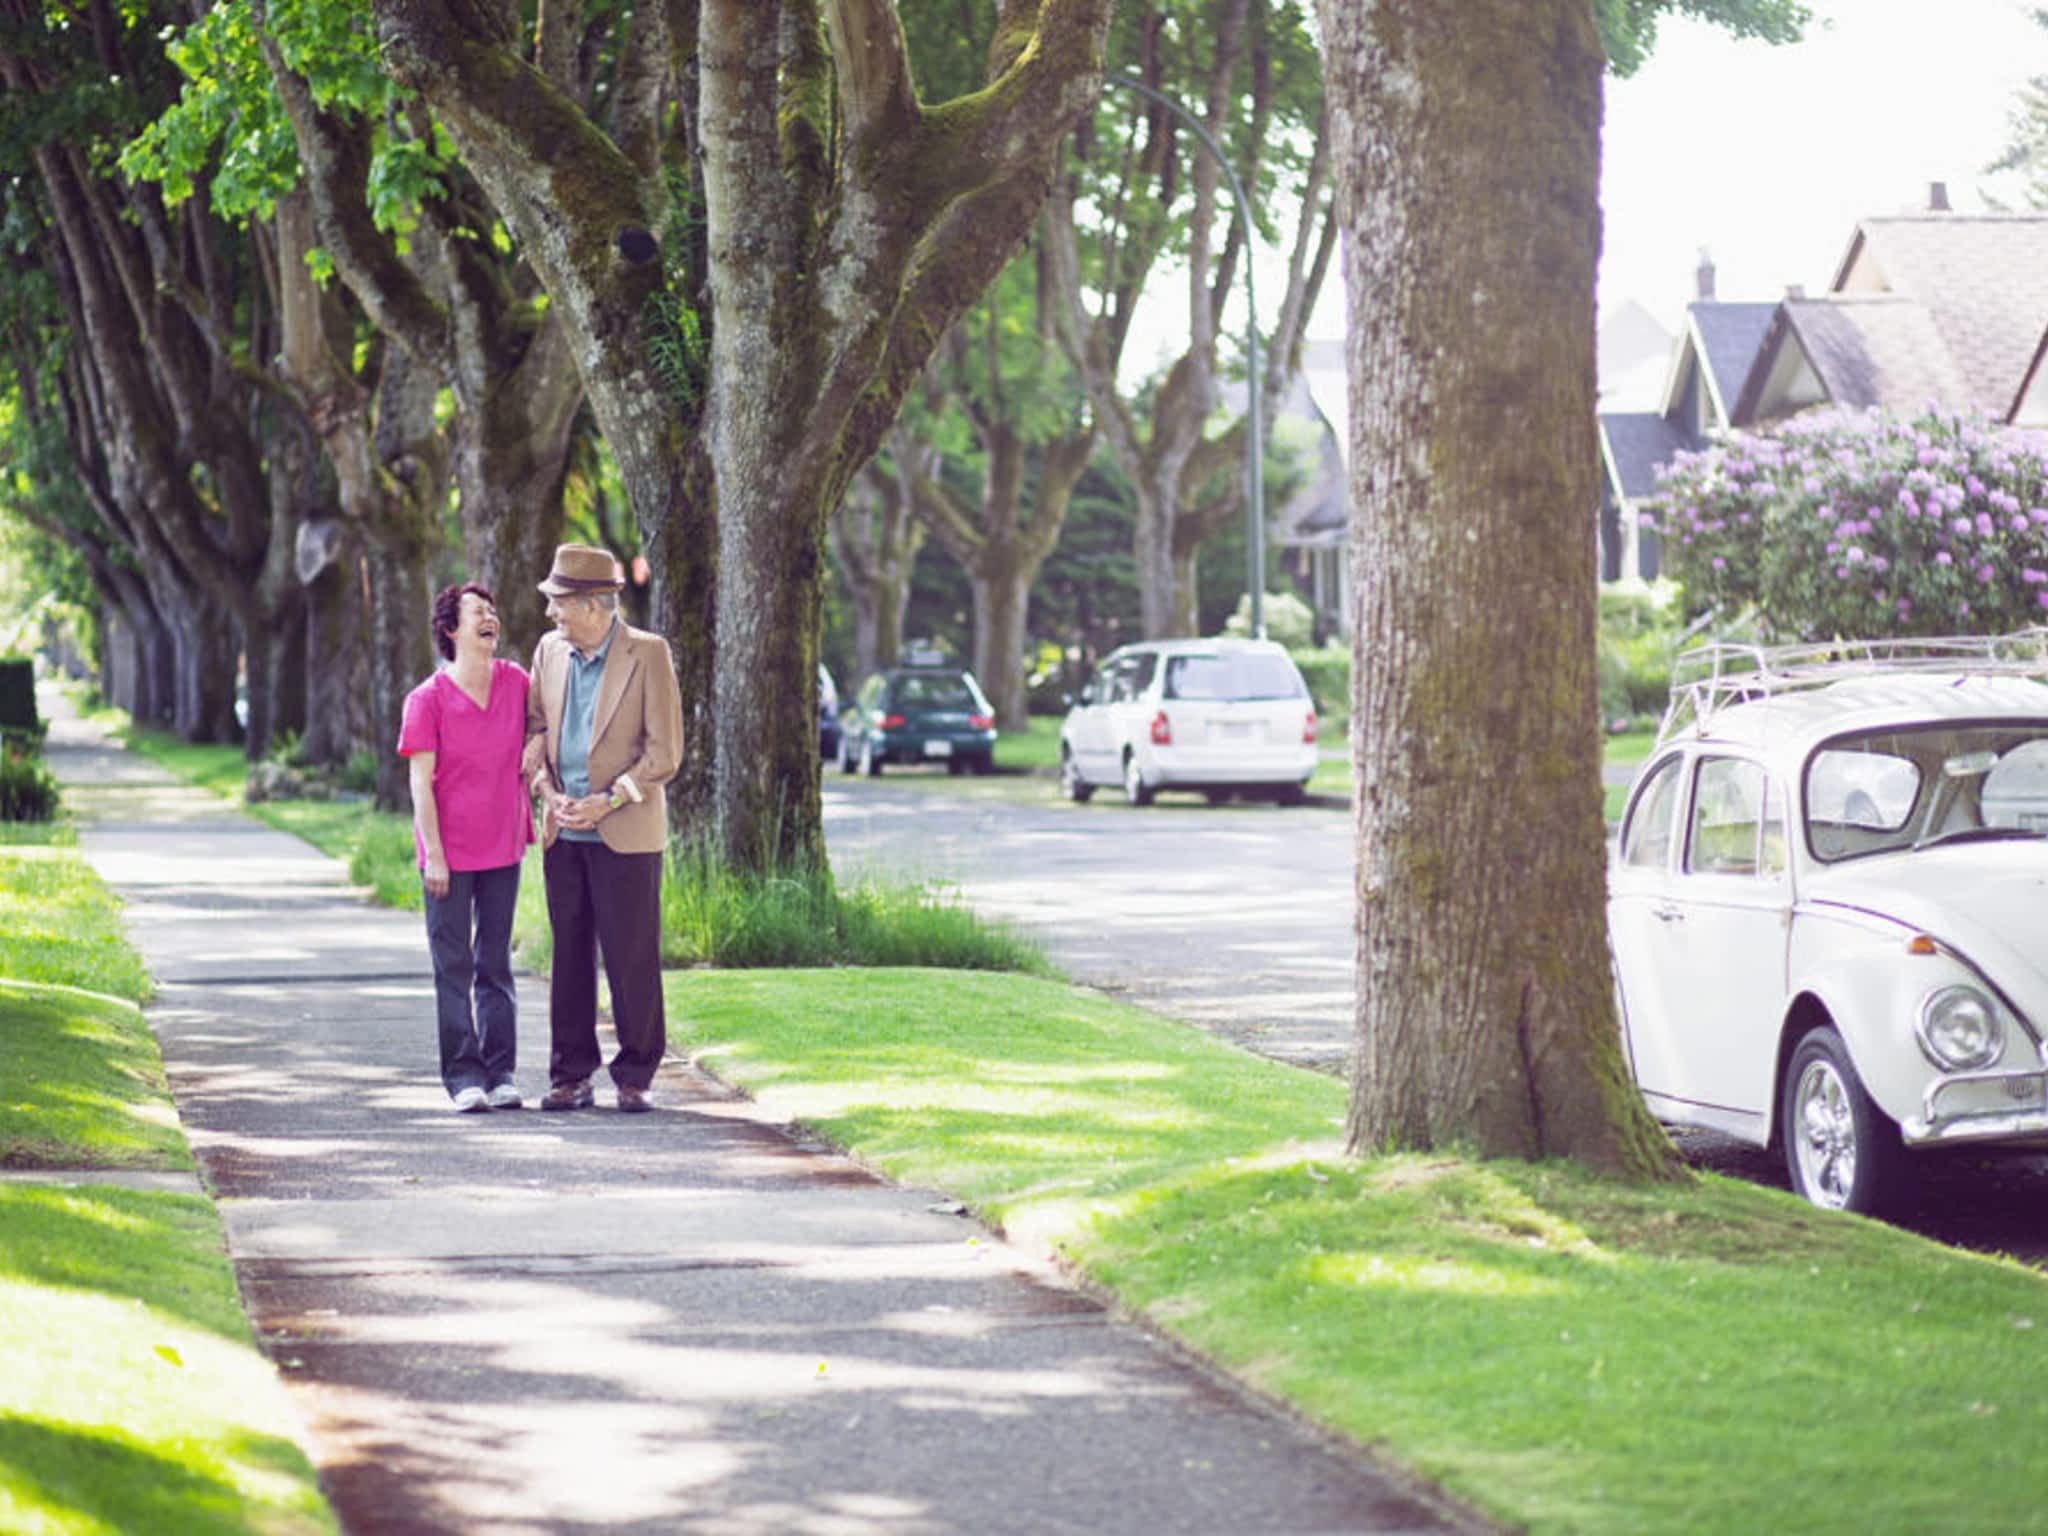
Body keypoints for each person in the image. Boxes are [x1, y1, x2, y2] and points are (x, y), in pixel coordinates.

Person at [523, 545, 683, 1114]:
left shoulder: (649, 654)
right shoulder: (550, 651)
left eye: (559, 604)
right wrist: (546, 791)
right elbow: (536, 730)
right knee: (568, 958)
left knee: (630, 956)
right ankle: (571, 1075)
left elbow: (665, 755)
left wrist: (608, 801)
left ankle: (635, 1074)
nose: (551, 616)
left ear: (594, 605)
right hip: (563, 832)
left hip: (626, 833)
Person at [397, 584, 535, 1113]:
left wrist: (539, 744)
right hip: (447, 856)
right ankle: (463, 1077)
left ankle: (501, 1073)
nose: (491, 619)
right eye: (479, 612)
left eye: (493, 611)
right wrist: (433, 853)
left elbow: (541, 726)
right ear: (452, 629)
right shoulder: (426, 700)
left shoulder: (516, 682)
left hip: (502, 846)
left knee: (494, 963)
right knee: (452, 964)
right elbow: (420, 784)